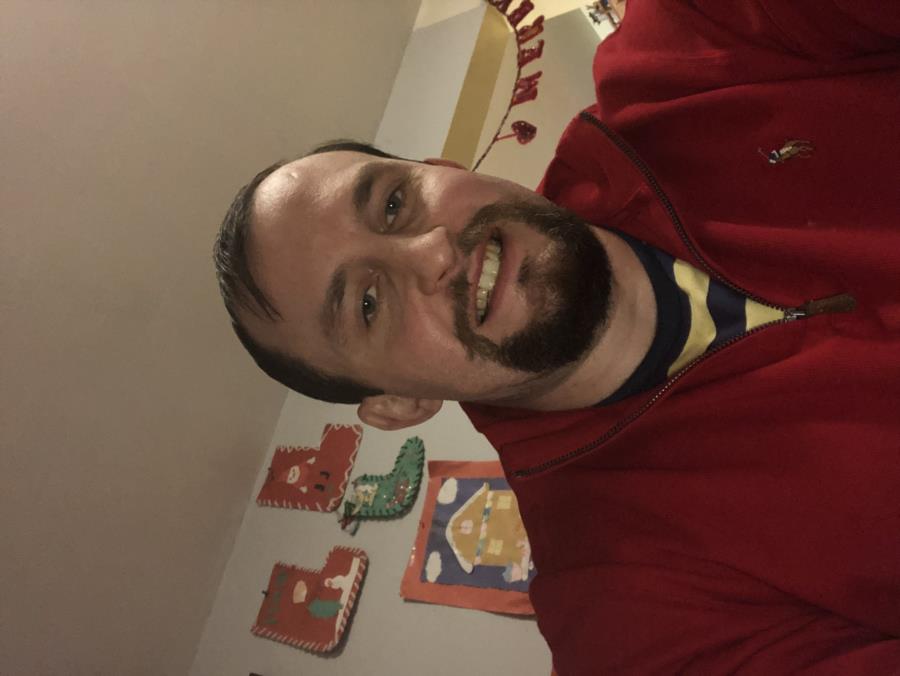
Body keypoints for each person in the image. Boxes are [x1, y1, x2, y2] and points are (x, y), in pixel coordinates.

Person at [214, 1, 900, 673]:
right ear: (397, 403)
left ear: (443, 168)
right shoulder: (629, 622)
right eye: (367, 304)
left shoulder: (693, 46)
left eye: (394, 203)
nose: (431, 252)